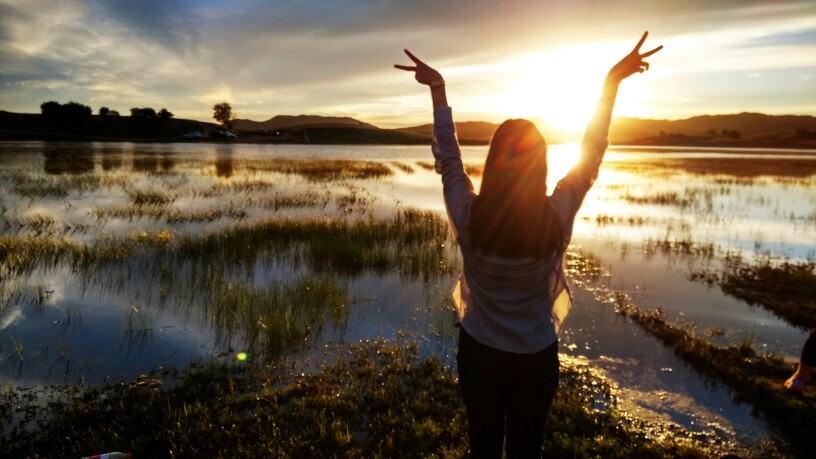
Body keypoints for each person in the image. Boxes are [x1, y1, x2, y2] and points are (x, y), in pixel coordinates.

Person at [396, 32, 662, 458]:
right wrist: (611, 83)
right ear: (540, 166)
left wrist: (439, 89)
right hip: (535, 357)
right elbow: (591, 155)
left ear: (494, 165)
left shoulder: (470, 217)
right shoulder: (555, 216)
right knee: (526, 449)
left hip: (480, 353)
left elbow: (448, 161)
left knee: (483, 446)